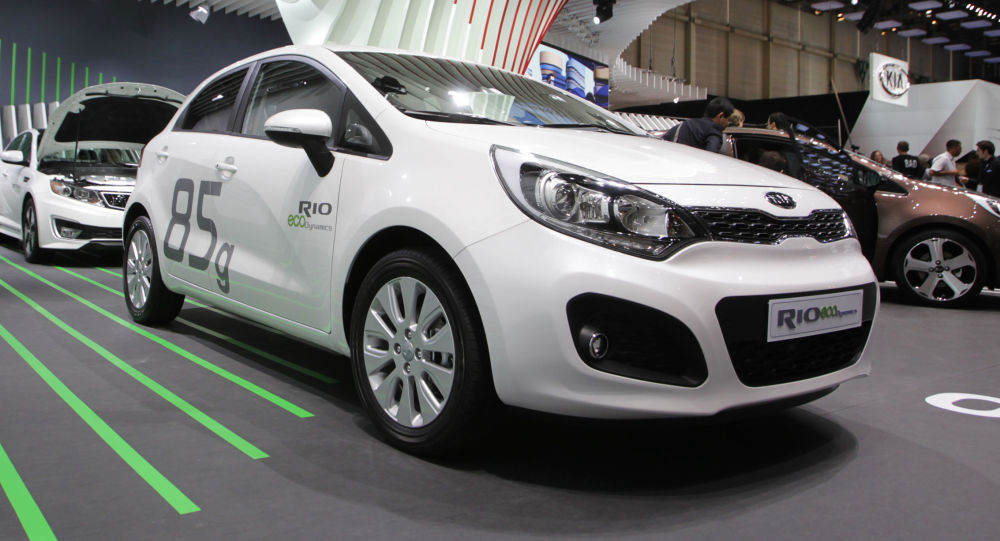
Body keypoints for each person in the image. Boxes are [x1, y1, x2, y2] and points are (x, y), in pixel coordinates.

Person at [662, 96, 735, 153]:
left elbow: (663, 141)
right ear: (721, 116)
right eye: (728, 120)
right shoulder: (714, 132)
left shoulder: (685, 124)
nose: (728, 123)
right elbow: (711, 157)